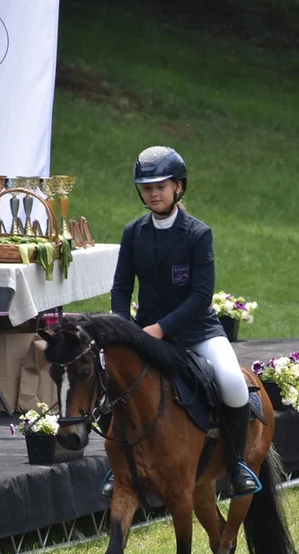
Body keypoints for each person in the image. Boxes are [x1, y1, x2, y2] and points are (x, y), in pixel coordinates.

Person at [106, 145, 259, 497]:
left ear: (179, 187)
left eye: (161, 186)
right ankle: (115, 468)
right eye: (147, 188)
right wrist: (121, 327)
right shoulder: (133, 232)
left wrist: (161, 329)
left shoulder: (197, 234)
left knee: (233, 383)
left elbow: (201, 297)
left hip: (196, 331)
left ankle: (237, 465)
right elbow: (121, 287)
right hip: (146, 332)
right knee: (109, 378)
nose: (154, 193)